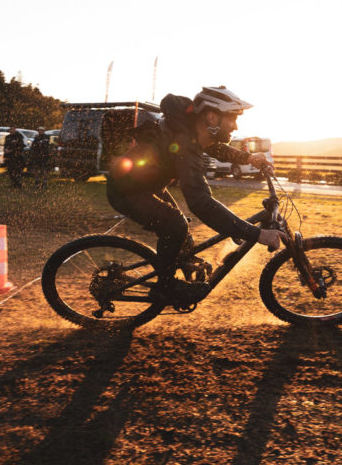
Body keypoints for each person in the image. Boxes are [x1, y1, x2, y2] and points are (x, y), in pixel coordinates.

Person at [107, 86, 286, 303]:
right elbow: (200, 202)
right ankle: (165, 287)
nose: (236, 126)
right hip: (126, 190)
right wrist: (257, 234)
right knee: (174, 225)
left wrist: (248, 159)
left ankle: (181, 268)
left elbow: (215, 148)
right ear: (212, 117)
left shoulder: (192, 130)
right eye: (232, 119)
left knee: (183, 237)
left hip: (144, 187)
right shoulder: (185, 144)